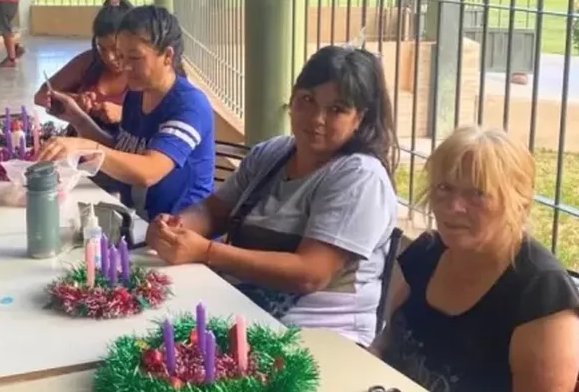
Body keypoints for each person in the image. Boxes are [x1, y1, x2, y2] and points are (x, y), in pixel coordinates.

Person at [145, 46, 398, 345]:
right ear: (292, 100)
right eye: (307, 100)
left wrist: (207, 252)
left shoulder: (360, 177)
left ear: (359, 119)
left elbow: (310, 274)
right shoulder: (273, 153)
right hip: (241, 310)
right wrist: (175, 227)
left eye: (337, 109)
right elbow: (213, 211)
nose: (317, 118)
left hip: (316, 337)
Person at [373, 126, 579, 392]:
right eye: (444, 188)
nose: (453, 207)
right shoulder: (426, 253)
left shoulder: (541, 292)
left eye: (477, 194)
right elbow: (386, 345)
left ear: (520, 203)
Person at [37, 5, 215, 220]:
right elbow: (121, 152)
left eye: (135, 58)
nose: (124, 66)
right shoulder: (136, 94)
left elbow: (149, 171)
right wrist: (78, 119)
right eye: (121, 56)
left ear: (167, 55)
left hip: (178, 229)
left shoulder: (189, 106)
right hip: (137, 220)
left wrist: (84, 146)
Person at [34, 0, 133, 134]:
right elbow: (40, 96)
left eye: (115, 49)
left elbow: (160, 119)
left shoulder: (142, 71)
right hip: (79, 141)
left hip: (121, 146)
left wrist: (124, 114)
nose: (109, 57)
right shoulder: (89, 62)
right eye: (102, 48)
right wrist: (75, 101)